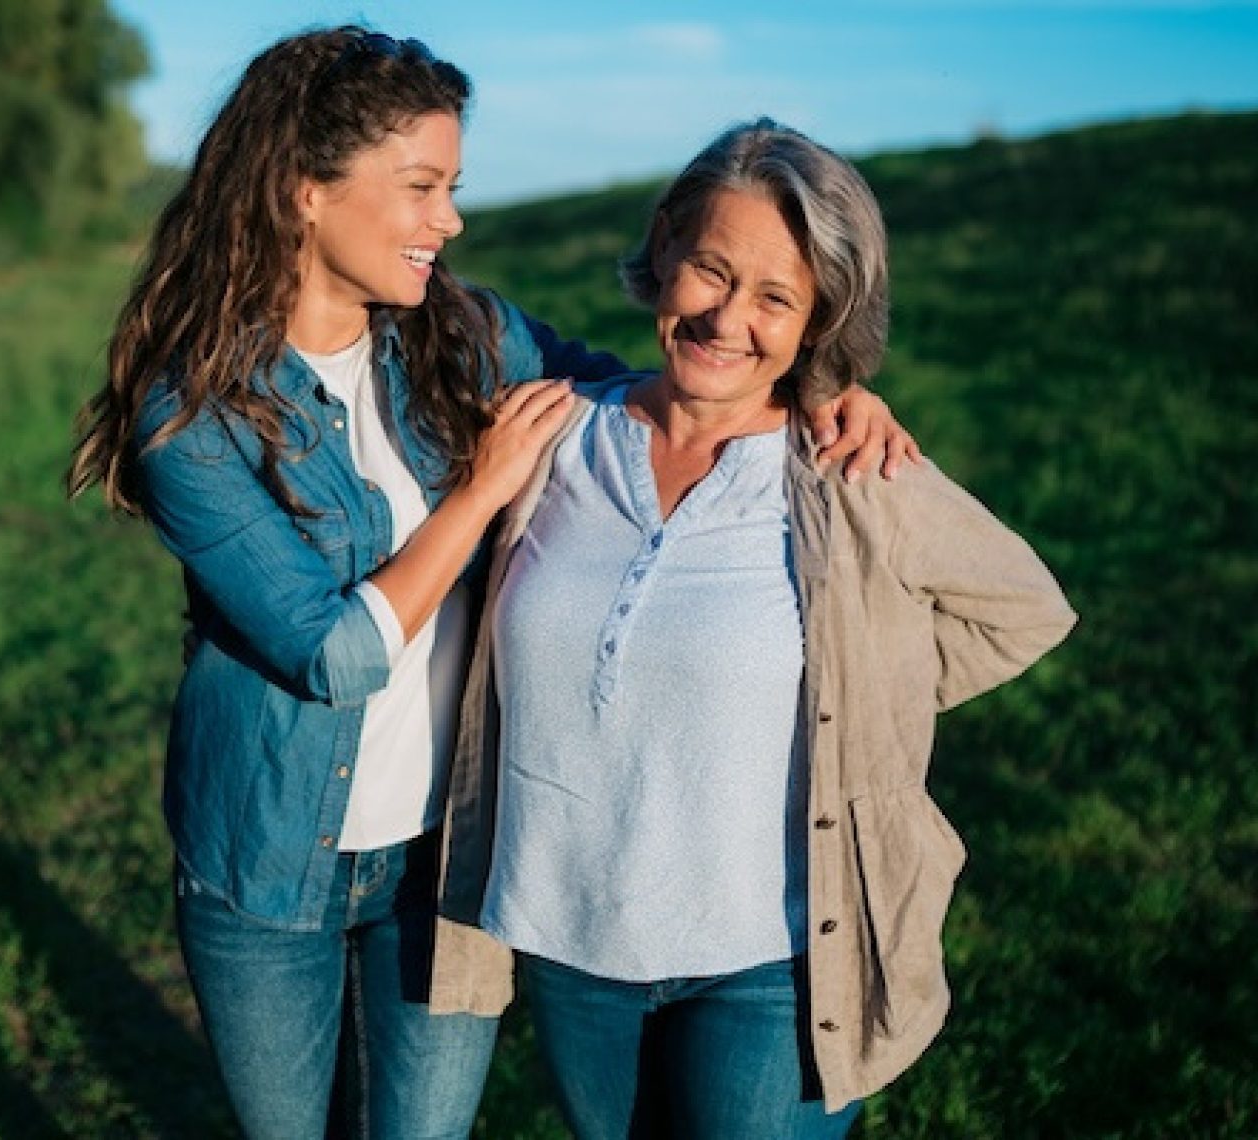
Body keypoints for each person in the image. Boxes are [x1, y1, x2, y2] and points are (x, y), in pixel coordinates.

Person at [67, 25, 918, 1139]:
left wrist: (819, 394)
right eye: (420, 187)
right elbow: (334, 654)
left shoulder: (462, 338)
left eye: (452, 187)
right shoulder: (192, 414)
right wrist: (476, 493)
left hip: (441, 859)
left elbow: (655, 394)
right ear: (302, 192)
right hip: (266, 864)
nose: (450, 220)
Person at [431, 118, 1077, 1139]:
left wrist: (862, 682)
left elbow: (1023, 609)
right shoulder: (553, 436)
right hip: (568, 937)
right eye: (710, 272)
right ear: (662, 251)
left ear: (818, 319)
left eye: (775, 297)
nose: (727, 318)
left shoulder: (843, 468)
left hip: (769, 960)